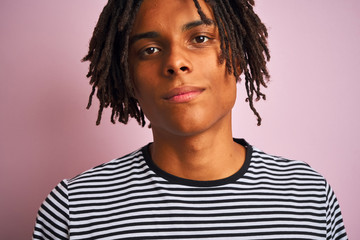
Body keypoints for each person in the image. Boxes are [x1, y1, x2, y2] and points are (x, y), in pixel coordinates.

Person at [33, 0, 347, 239]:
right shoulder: (74, 207)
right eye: (150, 49)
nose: (175, 62)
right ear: (128, 78)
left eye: (199, 38)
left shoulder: (308, 194)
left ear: (237, 56)